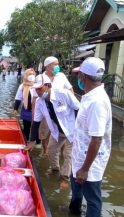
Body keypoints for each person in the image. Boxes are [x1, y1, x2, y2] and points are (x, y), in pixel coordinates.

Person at [69, 57, 112, 216]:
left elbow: (97, 139)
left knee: (93, 201)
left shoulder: (97, 102)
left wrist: (85, 169)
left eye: (78, 75)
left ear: (83, 77)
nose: (77, 78)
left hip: (90, 163)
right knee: (76, 193)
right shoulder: (89, 96)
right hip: (80, 156)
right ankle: (74, 211)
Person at [26, 74, 80, 188]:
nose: (38, 91)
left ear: (48, 85)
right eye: (36, 89)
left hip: (73, 130)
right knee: (51, 149)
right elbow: (36, 122)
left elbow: (78, 108)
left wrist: (81, 129)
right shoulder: (41, 102)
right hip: (58, 131)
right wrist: (32, 141)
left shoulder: (64, 94)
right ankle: (55, 168)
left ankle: (65, 177)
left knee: (68, 154)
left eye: (40, 88)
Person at [12, 68, 36, 141]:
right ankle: (26, 141)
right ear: (26, 75)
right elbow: (18, 98)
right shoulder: (22, 86)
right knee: (26, 128)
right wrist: (15, 109)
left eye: (33, 74)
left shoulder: (37, 85)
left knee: (36, 127)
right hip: (26, 110)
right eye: (30, 74)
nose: (31, 76)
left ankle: (36, 142)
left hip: (37, 111)